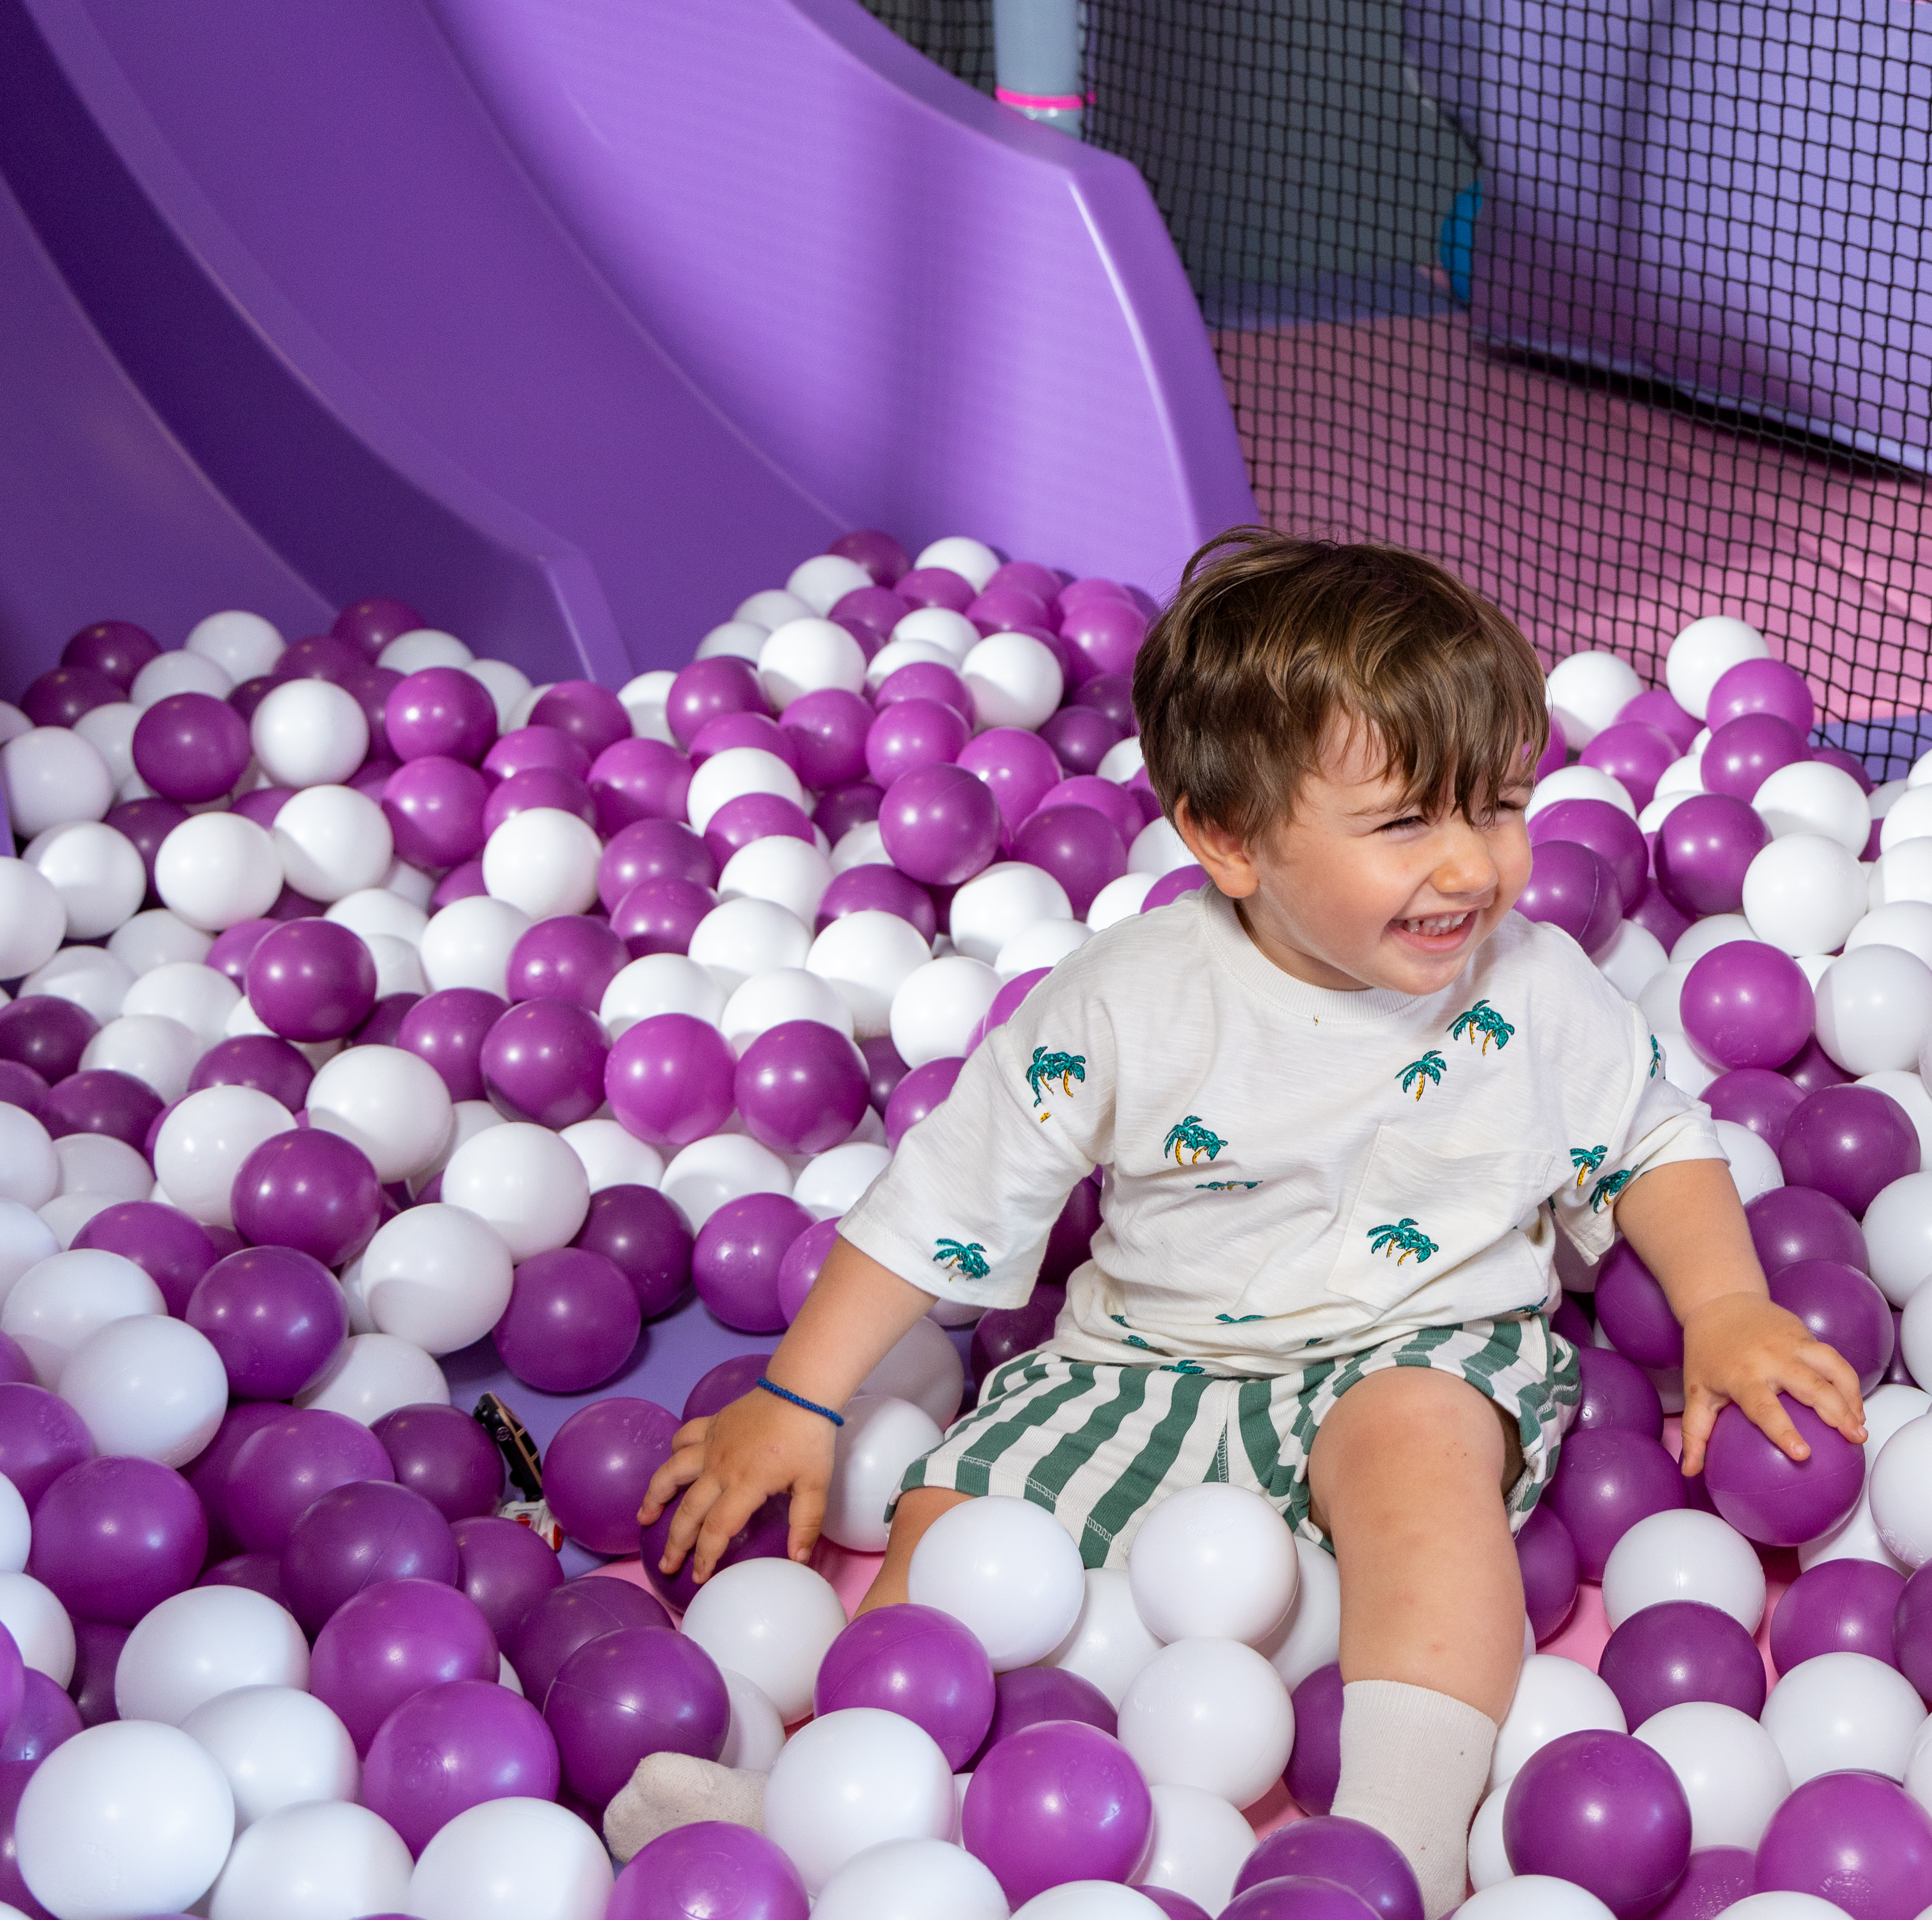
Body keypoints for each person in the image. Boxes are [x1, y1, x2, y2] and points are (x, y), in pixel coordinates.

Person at [615, 529, 1866, 1909]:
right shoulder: (1126, 1001)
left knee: (1423, 1468)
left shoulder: (1532, 984)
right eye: (1408, 823)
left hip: (1413, 1343)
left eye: (1499, 806)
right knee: (956, 1525)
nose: (1473, 868)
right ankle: (831, 1807)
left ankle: (1398, 1841)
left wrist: (1725, 1306)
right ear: (1227, 838)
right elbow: (938, 1200)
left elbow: (1652, 1143)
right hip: (1138, 1364)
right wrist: (800, 1397)